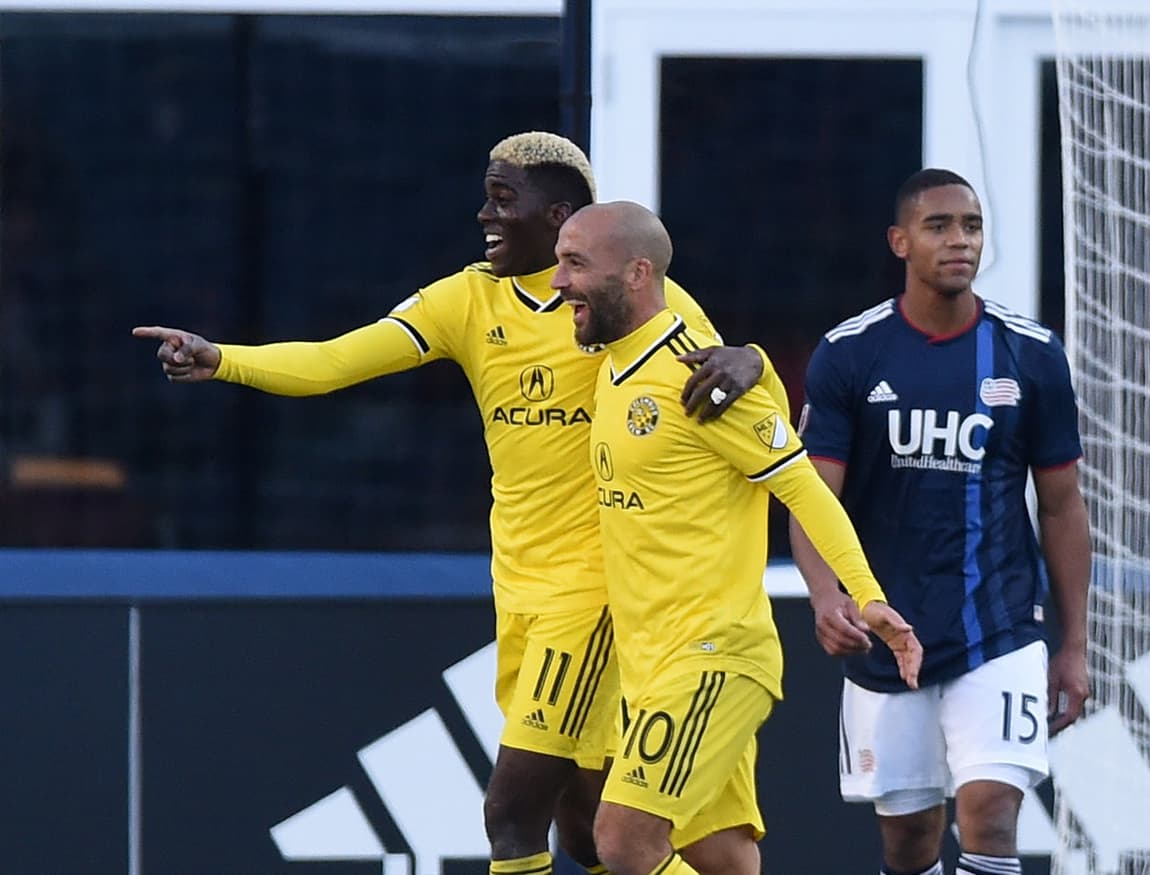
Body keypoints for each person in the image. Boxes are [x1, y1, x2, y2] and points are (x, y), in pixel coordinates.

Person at [133, 132, 770, 875]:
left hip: (595, 595)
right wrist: (223, 360)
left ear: (558, 214)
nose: (484, 215)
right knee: (587, 825)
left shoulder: (623, 298)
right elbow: (338, 359)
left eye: (503, 199)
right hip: (521, 589)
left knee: (512, 813)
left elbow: (728, 390)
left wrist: (750, 359)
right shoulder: (466, 300)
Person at [551, 200, 924, 875]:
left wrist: (865, 594)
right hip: (649, 666)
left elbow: (805, 487)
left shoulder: (702, 379)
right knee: (719, 858)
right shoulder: (612, 368)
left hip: (712, 656)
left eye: (574, 264)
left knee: (624, 839)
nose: (558, 282)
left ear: (637, 273)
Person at [789, 168, 1092, 875]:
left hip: (1000, 628)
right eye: (939, 226)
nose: (960, 240)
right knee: (909, 839)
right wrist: (827, 595)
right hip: (889, 629)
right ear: (900, 241)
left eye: (972, 226)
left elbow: (1061, 505)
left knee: (991, 812)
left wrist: (1074, 643)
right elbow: (812, 499)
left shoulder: (1032, 354)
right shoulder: (851, 352)